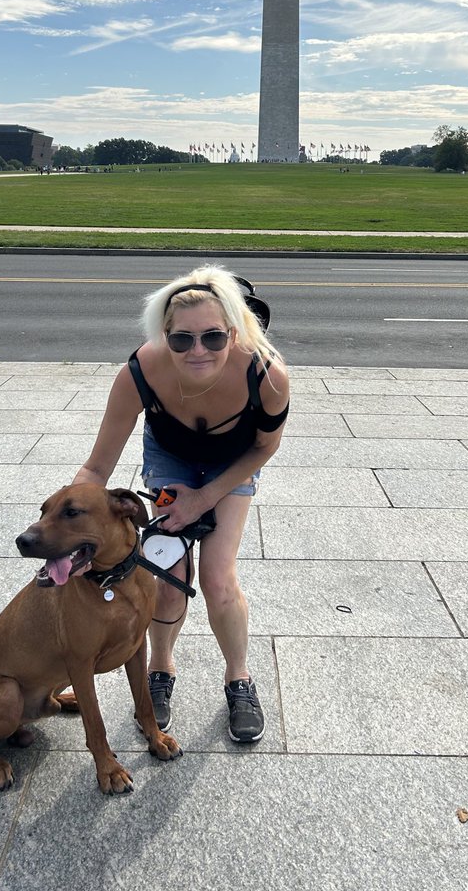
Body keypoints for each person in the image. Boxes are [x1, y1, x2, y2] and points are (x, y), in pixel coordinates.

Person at [72, 265, 290, 744]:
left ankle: (239, 677)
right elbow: (95, 469)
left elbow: (264, 447)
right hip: (170, 457)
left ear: (234, 333)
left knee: (218, 576)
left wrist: (206, 498)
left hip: (233, 463)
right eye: (182, 339)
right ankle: (160, 668)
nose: (197, 351)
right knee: (168, 576)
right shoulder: (140, 372)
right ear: (163, 336)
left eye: (213, 338)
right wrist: (67, 523)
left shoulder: (267, 375)